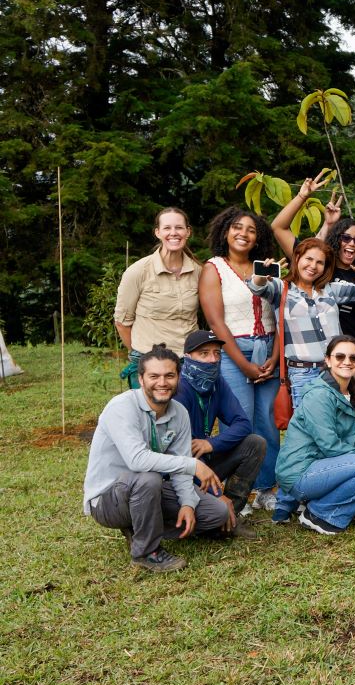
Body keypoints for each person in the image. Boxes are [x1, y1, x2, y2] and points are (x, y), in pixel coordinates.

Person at [82, 345, 244, 573]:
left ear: (178, 377)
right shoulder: (121, 407)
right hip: (109, 499)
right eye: (154, 376)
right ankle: (146, 552)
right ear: (140, 379)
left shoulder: (179, 412)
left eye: (169, 375)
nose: (162, 383)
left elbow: (179, 465)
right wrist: (194, 464)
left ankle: (143, 528)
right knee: (148, 478)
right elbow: (137, 460)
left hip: (148, 492)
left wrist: (187, 503)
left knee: (215, 513)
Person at [248, 238, 355, 409]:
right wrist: (261, 276)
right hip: (303, 374)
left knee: (341, 421)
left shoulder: (329, 289)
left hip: (335, 370)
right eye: (309, 259)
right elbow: (257, 288)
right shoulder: (281, 288)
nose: (313, 266)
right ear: (297, 257)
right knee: (312, 427)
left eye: (320, 262)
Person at [198, 206, 281, 509]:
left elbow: (279, 311)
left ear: (258, 238)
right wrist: (244, 364)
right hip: (234, 350)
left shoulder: (267, 267)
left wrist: (274, 355)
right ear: (225, 231)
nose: (243, 234)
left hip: (268, 348)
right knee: (239, 422)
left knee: (267, 422)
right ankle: (236, 492)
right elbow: (216, 323)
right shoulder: (214, 268)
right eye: (237, 227)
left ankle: (266, 488)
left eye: (251, 230)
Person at [272, 177, 355, 387]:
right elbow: (280, 229)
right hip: (314, 360)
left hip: (353, 353)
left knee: (350, 413)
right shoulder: (317, 269)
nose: (351, 244)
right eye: (345, 238)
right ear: (336, 239)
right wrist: (326, 222)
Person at [274, 336, 355, 534]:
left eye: (353, 358)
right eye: (339, 356)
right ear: (327, 360)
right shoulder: (319, 395)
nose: (347, 362)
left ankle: (316, 503)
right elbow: (330, 446)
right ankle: (319, 514)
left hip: (321, 465)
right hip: (301, 471)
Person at [173, 330, 266, 524]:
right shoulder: (178, 390)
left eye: (217, 353)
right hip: (180, 470)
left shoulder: (217, 383)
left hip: (205, 458)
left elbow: (243, 424)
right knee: (212, 506)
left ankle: (232, 514)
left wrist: (211, 444)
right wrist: (216, 494)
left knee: (255, 443)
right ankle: (216, 513)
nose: (212, 360)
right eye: (204, 354)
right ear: (188, 357)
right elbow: (178, 453)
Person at [114, 207, 200, 387]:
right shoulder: (138, 271)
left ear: (188, 232)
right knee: (151, 415)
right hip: (150, 362)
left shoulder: (199, 271)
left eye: (179, 228)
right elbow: (122, 322)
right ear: (157, 232)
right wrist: (142, 355)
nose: (173, 233)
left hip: (188, 362)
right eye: (167, 228)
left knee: (187, 415)